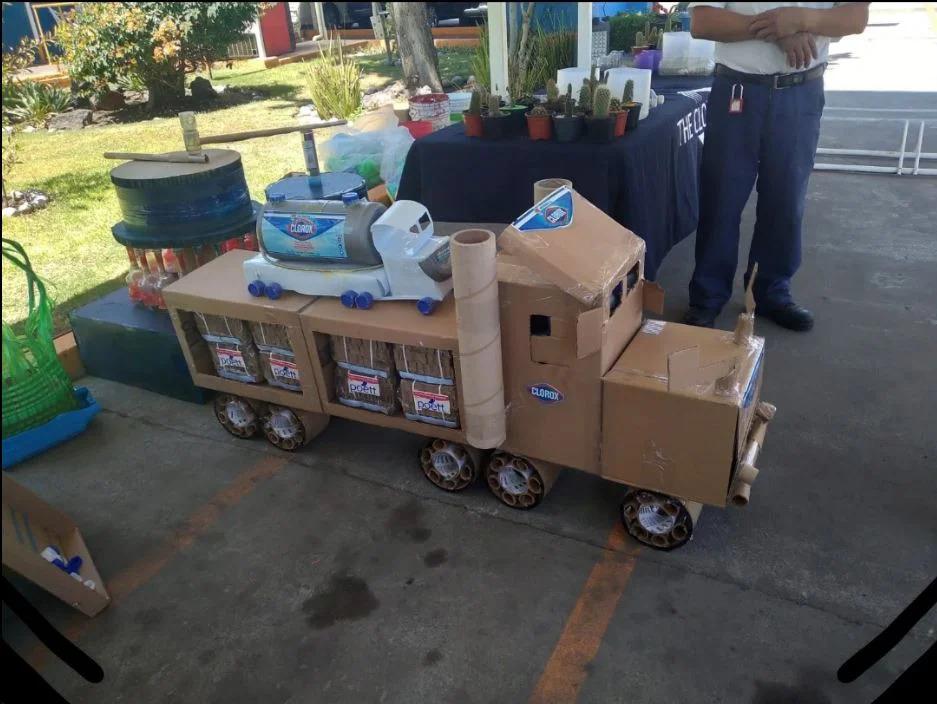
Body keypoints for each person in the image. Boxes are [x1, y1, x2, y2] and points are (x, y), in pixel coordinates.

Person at [683, 2, 870, 330]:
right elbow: (702, 21)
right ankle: (707, 297)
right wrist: (777, 31)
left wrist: (801, 20)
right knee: (721, 199)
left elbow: (855, 18)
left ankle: (770, 292)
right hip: (737, 93)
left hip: (801, 92)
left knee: (785, 201)